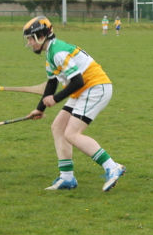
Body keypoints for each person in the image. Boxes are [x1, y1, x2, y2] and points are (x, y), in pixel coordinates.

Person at [23, 16, 125, 192]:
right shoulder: (50, 54)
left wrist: (55, 99)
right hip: (83, 90)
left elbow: (77, 81)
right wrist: (39, 109)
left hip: (94, 88)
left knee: (72, 133)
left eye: (31, 38)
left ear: (41, 36)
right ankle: (67, 178)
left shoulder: (58, 52)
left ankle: (112, 166)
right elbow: (52, 84)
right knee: (58, 127)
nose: (29, 43)